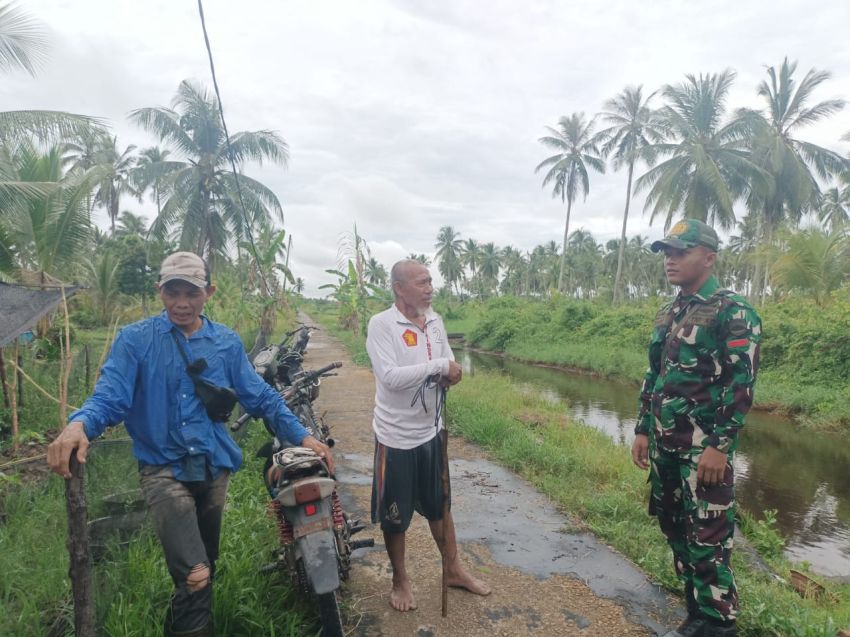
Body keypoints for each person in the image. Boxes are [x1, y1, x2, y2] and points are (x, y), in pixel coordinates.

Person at [47, 251, 333, 637]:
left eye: (191, 293)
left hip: (213, 465)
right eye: (173, 292)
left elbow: (260, 397)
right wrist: (79, 424)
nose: (182, 303)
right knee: (196, 574)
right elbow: (111, 395)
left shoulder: (226, 343)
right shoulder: (135, 340)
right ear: (159, 291)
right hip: (162, 468)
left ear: (208, 292)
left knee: (203, 568)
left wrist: (303, 435)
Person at [630, 220, 760, 637]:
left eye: (680, 251)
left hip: (702, 449)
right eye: (666, 252)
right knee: (674, 527)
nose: (670, 260)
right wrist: (643, 428)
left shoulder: (732, 311)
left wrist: (719, 447)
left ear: (708, 256)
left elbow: (741, 386)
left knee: (708, 535)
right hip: (667, 444)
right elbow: (656, 374)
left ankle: (719, 622)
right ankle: (697, 614)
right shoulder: (670, 311)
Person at [365, 259, 491, 612]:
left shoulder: (435, 321)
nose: (429, 287)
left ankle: (453, 569)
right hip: (396, 437)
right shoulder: (382, 325)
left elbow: (449, 360)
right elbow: (390, 376)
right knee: (395, 515)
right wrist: (438, 368)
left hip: (432, 432)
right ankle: (400, 578)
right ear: (399, 288)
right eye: (421, 282)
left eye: (430, 281)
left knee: (441, 505)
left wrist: (452, 374)